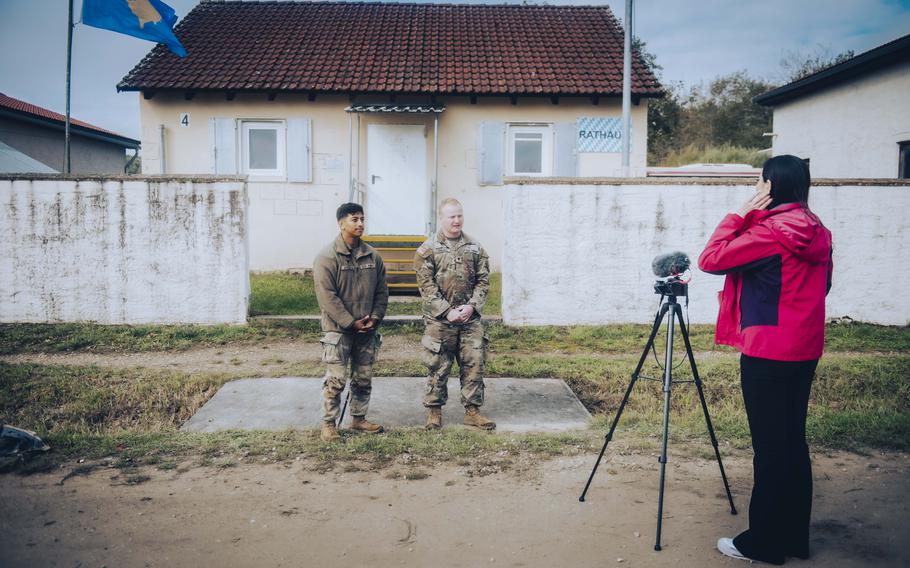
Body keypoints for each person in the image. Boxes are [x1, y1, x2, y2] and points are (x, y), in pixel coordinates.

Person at [698, 155, 833, 565]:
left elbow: (711, 259)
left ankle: (764, 544)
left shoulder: (770, 233)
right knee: (792, 442)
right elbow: (824, 285)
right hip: (804, 348)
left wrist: (740, 212)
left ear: (770, 186)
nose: (755, 188)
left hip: (767, 352)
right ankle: (793, 538)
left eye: (759, 182)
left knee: (770, 448)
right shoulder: (818, 231)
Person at [415, 198, 496, 431]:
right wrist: (447, 311)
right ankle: (434, 412)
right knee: (438, 365)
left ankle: (472, 411)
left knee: (474, 363)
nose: (457, 220)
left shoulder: (475, 247)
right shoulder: (427, 250)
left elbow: (483, 282)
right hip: (440, 321)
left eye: (459, 215)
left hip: (470, 320)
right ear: (441, 218)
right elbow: (426, 286)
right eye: (451, 216)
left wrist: (472, 306)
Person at [313, 202, 389, 442]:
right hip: (338, 330)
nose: (360, 224)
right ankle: (329, 424)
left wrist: (375, 318)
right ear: (341, 223)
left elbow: (381, 292)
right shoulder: (327, 257)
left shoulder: (372, 257)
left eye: (362, 219)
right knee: (335, 379)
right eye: (354, 219)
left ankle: (358, 418)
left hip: (367, 330)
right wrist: (349, 322)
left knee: (363, 377)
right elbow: (327, 297)